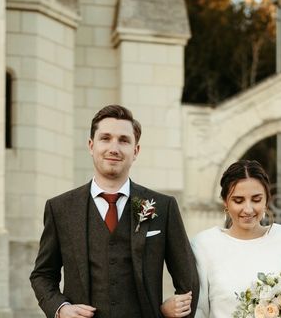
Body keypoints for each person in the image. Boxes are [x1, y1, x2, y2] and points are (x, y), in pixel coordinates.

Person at [30, 104, 199, 318]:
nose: (114, 148)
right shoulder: (60, 208)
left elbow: (188, 281)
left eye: (124, 140)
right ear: (91, 145)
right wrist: (60, 309)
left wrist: (167, 313)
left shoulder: (162, 206)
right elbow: (42, 275)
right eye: (105, 138)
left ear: (135, 151)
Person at [188, 160, 281, 318]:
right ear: (225, 202)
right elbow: (199, 310)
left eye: (256, 200)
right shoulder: (204, 244)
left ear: (266, 200)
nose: (248, 209)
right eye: (238, 200)